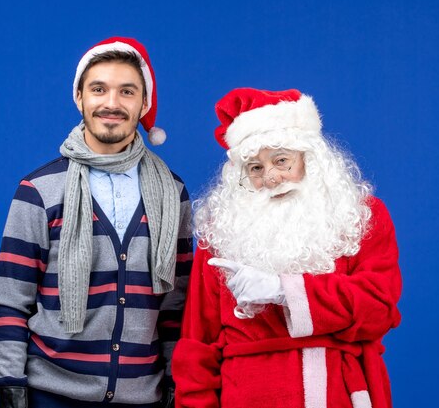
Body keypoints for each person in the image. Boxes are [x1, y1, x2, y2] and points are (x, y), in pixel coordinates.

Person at [0, 36, 192, 408]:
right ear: (80, 97)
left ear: (144, 103)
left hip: (144, 397)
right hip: (51, 395)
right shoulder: (39, 190)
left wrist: (178, 384)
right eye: (99, 89)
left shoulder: (172, 194)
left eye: (127, 91)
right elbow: (11, 304)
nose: (111, 103)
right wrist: (10, 387)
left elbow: (176, 310)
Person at [172, 88, 402, 408]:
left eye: (282, 160)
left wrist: (285, 290)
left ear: (311, 160)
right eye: (255, 168)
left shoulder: (361, 216)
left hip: (339, 393)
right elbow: (198, 344)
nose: (271, 178)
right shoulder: (221, 232)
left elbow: (379, 307)